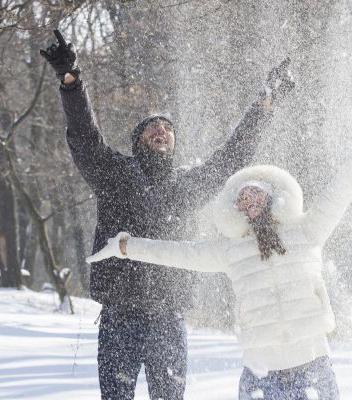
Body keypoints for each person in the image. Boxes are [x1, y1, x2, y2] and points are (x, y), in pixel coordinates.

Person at [87, 105, 352, 399]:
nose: (248, 199)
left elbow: (341, 189)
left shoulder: (306, 232)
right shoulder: (232, 250)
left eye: (255, 193)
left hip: (313, 367)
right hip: (260, 375)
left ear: (273, 196)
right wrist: (126, 246)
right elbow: (176, 254)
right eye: (241, 198)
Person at [39, 30, 295, 400]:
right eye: (152, 126)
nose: (162, 130)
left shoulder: (186, 185)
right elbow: (83, 137)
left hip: (168, 318)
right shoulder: (113, 174)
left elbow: (232, 157)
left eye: (168, 128)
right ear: (138, 140)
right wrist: (71, 81)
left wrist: (264, 106)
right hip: (119, 316)